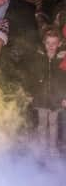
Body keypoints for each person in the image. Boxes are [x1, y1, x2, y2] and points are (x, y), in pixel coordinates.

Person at [27, 27, 66, 157]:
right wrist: (30, 94)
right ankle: (41, 147)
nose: (51, 46)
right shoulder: (39, 57)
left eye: (54, 43)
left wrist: (64, 97)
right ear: (44, 43)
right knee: (42, 123)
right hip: (41, 97)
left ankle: (52, 149)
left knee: (53, 123)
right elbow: (32, 77)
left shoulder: (62, 59)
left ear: (59, 44)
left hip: (56, 98)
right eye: (48, 43)